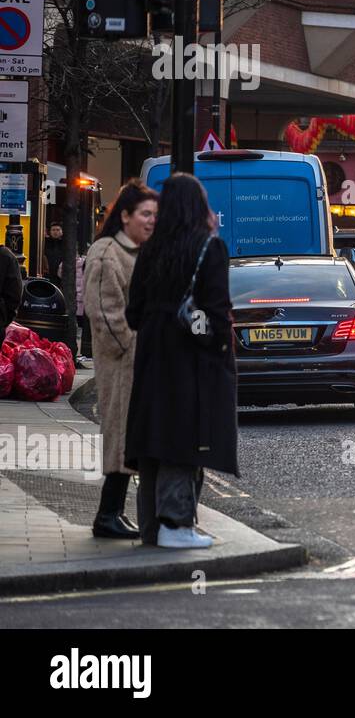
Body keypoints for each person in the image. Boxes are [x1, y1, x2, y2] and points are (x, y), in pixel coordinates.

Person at [125, 173, 238, 549]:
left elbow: (132, 314)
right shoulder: (209, 248)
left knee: (154, 437)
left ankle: (152, 529)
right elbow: (216, 311)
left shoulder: (150, 250)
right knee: (186, 437)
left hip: (151, 356)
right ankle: (177, 525)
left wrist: (162, 320)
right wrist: (207, 335)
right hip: (189, 359)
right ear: (198, 206)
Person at [83, 181, 158, 539]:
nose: (152, 221)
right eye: (145, 213)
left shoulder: (135, 253)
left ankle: (113, 512)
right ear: (124, 215)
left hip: (137, 363)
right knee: (119, 436)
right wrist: (133, 348)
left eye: (155, 215)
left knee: (129, 438)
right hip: (121, 363)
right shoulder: (105, 253)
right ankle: (106, 515)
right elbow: (105, 315)